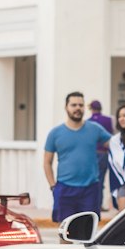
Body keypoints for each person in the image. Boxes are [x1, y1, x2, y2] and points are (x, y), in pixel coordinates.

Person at [44, 91, 110, 222]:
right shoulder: (55, 133)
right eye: (73, 105)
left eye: (81, 105)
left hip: (90, 189)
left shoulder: (95, 129)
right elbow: (47, 162)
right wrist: (53, 186)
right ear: (66, 107)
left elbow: (115, 145)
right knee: (66, 234)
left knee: (87, 234)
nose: (78, 108)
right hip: (64, 189)